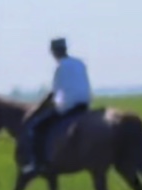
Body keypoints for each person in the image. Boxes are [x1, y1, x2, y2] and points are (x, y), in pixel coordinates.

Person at [22, 38, 92, 175]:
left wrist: (39, 108)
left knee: (38, 128)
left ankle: (38, 164)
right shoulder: (79, 63)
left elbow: (54, 93)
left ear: (54, 52)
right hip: (85, 102)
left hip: (69, 105)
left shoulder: (60, 67)